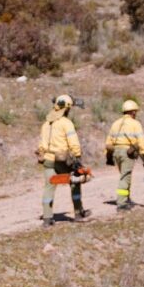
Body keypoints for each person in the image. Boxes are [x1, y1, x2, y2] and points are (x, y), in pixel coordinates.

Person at [36, 95, 91, 227]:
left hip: (48, 160)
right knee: (75, 181)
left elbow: (41, 145)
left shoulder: (46, 124)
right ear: (66, 109)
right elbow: (74, 143)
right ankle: (78, 213)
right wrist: (77, 157)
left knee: (49, 187)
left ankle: (47, 218)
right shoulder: (66, 123)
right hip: (62, 160)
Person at [105, 99, 144, 212]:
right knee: (125, 178)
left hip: (116, 152)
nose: (136, 114)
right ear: (133, 112)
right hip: (127, 153)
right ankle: (121, 203)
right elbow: (141, 142)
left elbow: (108, 142)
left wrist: (108, 156)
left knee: (125, 175)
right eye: (135, 112)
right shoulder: (135, 124)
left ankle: (126, 198)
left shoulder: (115, 123)